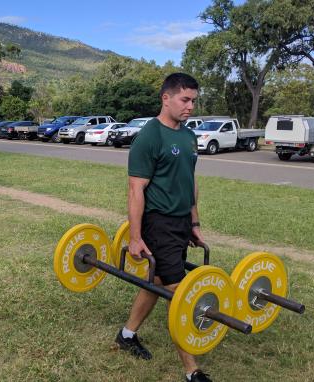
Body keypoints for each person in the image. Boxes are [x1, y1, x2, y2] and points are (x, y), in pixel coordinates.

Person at [114, 73, 210, 382]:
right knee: (178, 292)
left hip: (181, 222)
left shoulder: (188, 136)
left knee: (157, 280)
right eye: (185, 100)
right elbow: (135, 189)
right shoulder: (150, 136)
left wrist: (194, 221)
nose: (190, 106)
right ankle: (191, 369)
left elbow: (190, 182)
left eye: (194, 101)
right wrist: (135, 237)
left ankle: (127, 335)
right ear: (165, 98)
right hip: (158, 223)